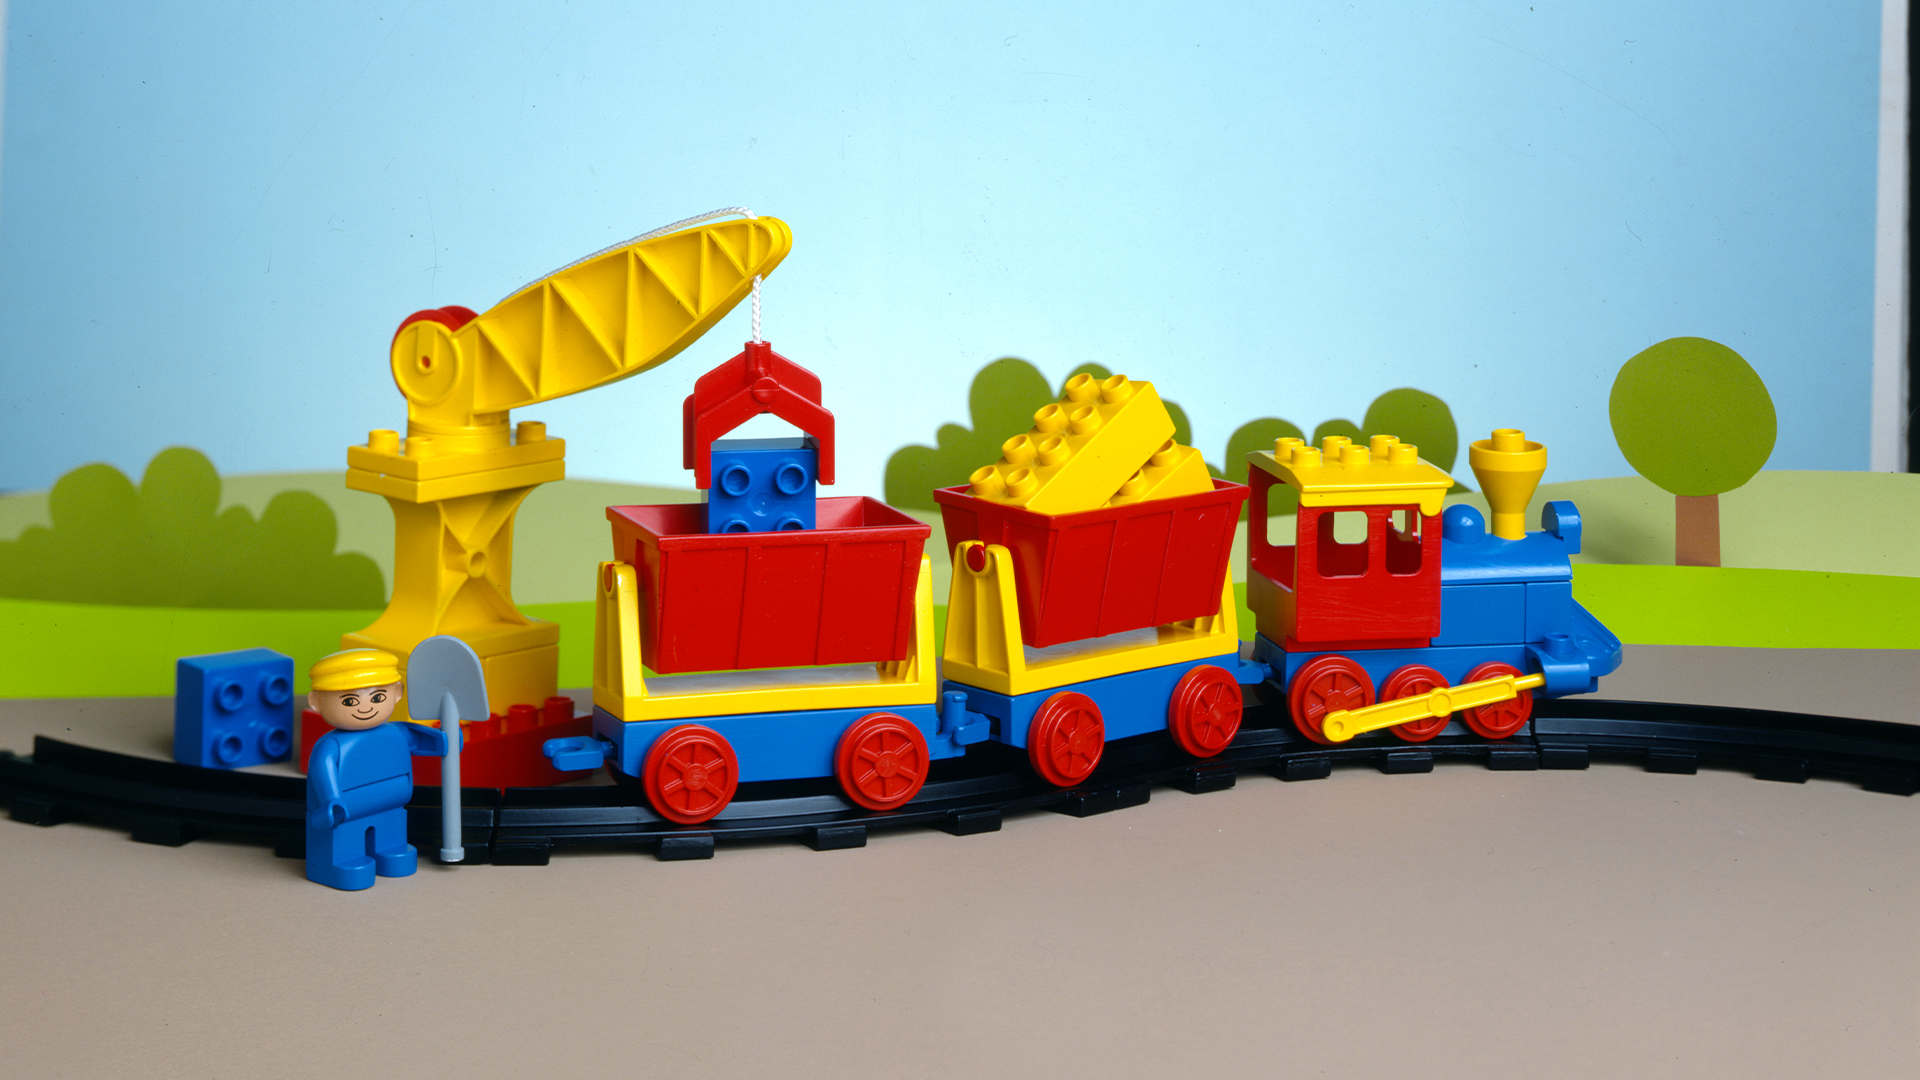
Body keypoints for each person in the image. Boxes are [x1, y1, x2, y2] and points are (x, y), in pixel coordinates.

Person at [304, 648, 451, 891]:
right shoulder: (330, 746)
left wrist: (446, 741)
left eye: (377, 697)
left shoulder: (396, 732)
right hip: (346, 811)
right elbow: (323, 770)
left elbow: (420, 740)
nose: (365, 707)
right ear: (317, 702)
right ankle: (339, 863)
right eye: (349, 701)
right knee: (346, 843)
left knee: (390, 839)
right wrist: (331, 800)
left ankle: (387, 849)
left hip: (392, 802)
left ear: (397, 693)